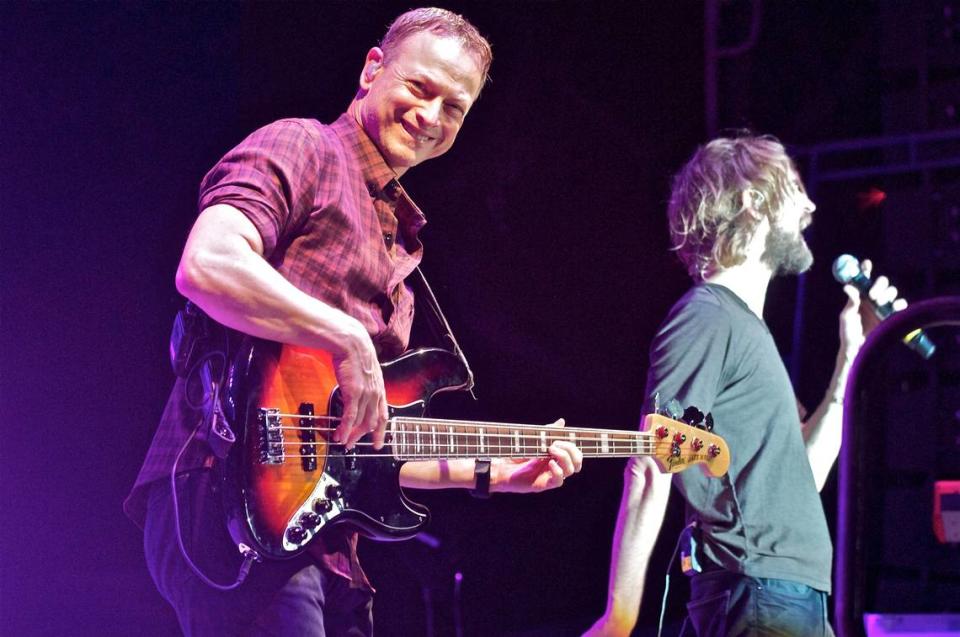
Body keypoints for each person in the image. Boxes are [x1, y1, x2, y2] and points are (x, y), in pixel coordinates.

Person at [124, 8, 583, 636]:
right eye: (420, 88)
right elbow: (207, 263)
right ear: (373, 70)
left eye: (454, 108)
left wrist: (497, 474)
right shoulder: (305, 145)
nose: (430, 117)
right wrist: (344, 338)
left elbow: (363, 441)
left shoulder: (400, 239)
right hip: (223, 494)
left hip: (319, 542)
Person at [585, 135, 905, 636]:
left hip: (785, 591)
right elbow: (653, 462)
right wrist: (619, 618)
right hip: (757, 592)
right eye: (796, 188)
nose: (810, 204)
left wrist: (851, 359)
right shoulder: (707, 316)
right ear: (754, 201)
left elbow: (805, 477)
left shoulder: (745, 330)